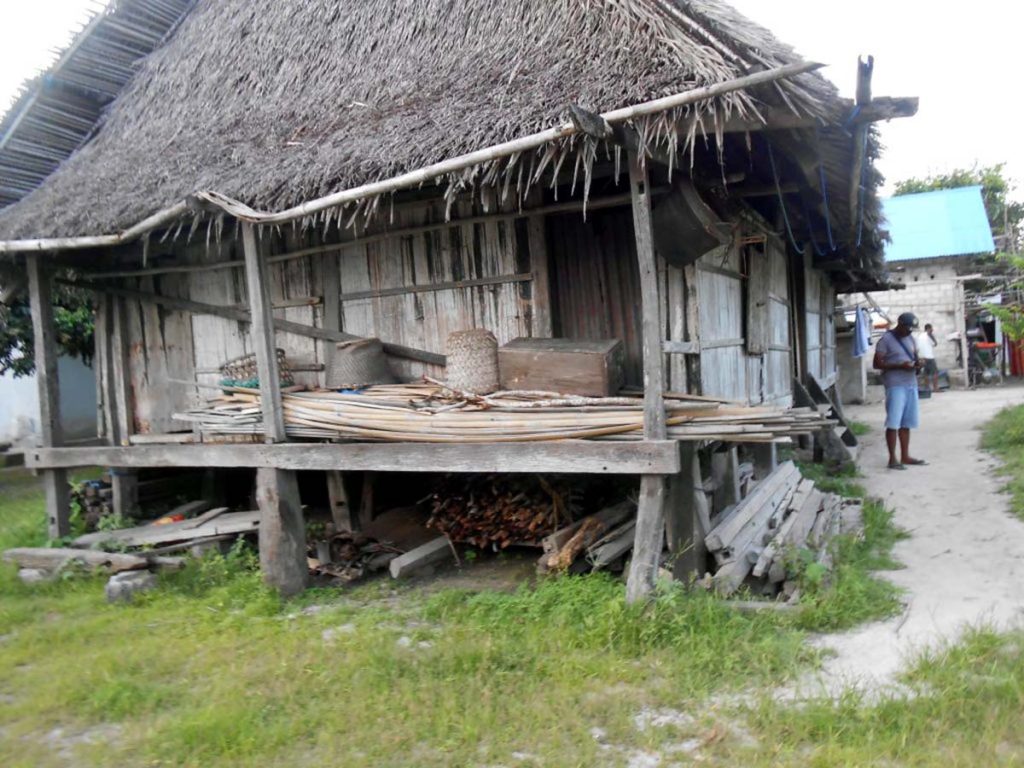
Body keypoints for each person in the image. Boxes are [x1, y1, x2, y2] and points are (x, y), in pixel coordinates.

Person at [874, 312, 927, 470]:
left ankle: (905, 456)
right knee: (893, 422)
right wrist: (899, 366)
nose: (910, 331)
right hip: (895, 384)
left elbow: (915, 356)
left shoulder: (910, 338)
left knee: (906, 423)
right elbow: (877, 364)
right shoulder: (886, 340)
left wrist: (919, 363)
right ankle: (892, 459)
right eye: (908, 328)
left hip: (911, 383)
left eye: (912, 329)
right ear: (900, 324)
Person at [917, 323, 940, 392]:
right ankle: (935, 388)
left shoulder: (920, 336)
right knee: (935, 372)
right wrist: (932, 335)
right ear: (928, 329)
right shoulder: (928, 335)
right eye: (931, 328)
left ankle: (927, 388)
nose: (932, 330)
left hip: (922, 357)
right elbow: (935, 343)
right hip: (929, 357)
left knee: (926, 373)